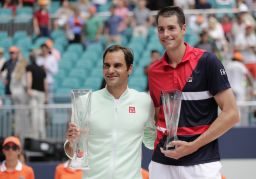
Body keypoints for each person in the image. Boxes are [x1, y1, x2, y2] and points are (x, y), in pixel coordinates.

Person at [147, 6, 240, 179]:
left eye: (171, 28)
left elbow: (232, 114)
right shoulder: (153, 71)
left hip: (202, 163)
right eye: (161, 29)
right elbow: (159, 117)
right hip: (162, 163)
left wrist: (193, 146)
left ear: (183, 29)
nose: (166, 34)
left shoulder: (207, 62)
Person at [65, 45, 156, 179]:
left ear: (129, 69)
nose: (110, 70)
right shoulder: (85, 102)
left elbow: (150, 141)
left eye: (117, 65)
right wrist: (71, 142)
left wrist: (161, 132)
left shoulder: (144, 101)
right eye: (106, 66)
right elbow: (72, 151)